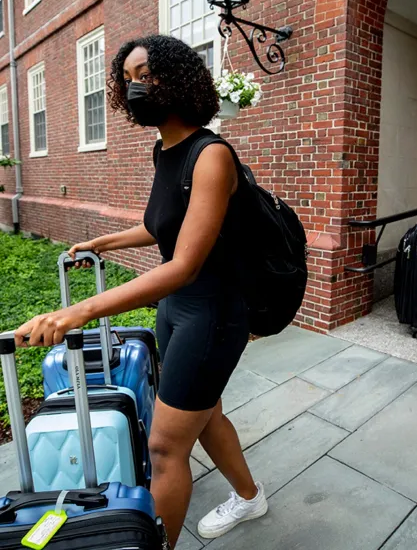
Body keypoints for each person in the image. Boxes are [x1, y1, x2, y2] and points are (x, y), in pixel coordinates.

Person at [14, 35, 268, 549]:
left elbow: (184, 264)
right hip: (178, 312)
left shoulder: (211, 155)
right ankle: (249, 495)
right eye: (128, 78)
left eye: (146, 74)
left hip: (213, 313)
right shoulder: (165, 150)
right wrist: (103, 241)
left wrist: (77, 311)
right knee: (207, 412)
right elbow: (164, 224)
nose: (136, 87)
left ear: (178, 78)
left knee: (166, 447)